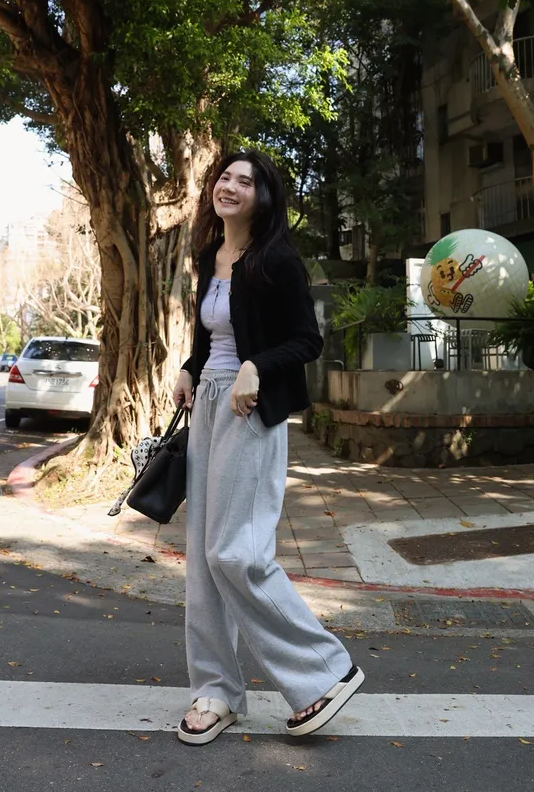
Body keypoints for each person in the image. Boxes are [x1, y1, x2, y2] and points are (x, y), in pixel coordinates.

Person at [172, 149, 364, 746]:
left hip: (249, 410)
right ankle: (215, 691)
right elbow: (212, 337)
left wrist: (255, 367)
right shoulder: (211, 254)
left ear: (263, 197)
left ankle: (325, 673)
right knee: (203, 560)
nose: (229, 186)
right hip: (208, 405)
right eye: (224, 177)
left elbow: (306, 340)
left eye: (245, 181)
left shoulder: (276, 258)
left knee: (237, 553)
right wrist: (189, 369)